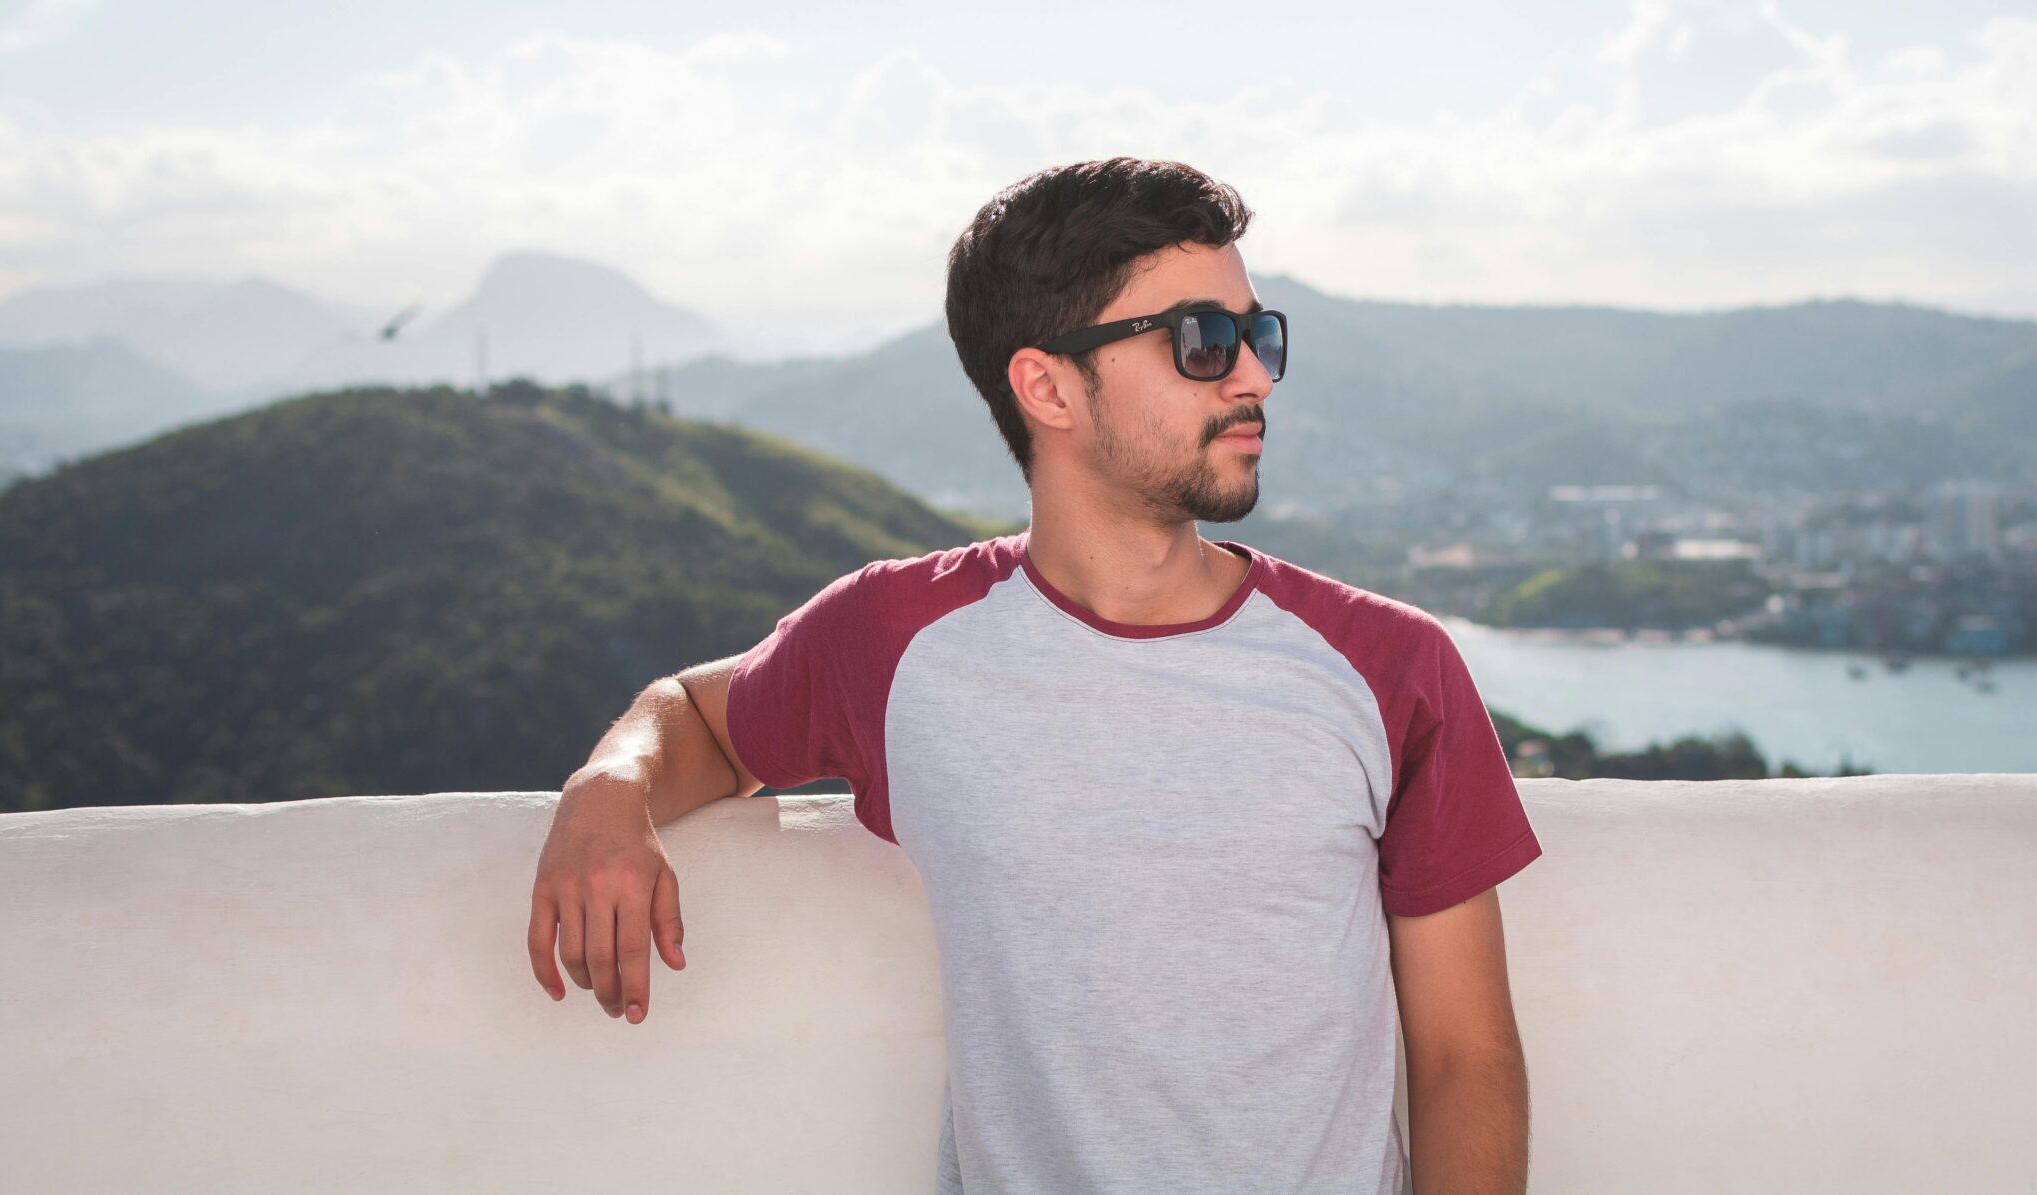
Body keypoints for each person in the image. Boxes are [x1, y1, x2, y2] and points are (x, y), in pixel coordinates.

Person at [528, 156, 1542, 1194]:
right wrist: (609, 787)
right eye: (1203, 341)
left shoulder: (1391, 667)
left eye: (1258, 333)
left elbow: (1467, 1059)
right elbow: (701, 719)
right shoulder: (894, 638)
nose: (1253, 376)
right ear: (1047, 386)